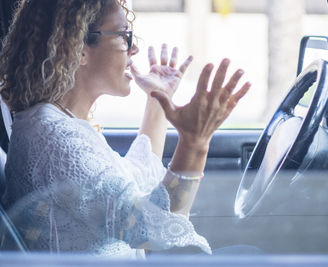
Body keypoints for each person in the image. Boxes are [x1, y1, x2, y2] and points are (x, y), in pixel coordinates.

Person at [0, 0, 250, 257]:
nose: (134, 48)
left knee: (246, 253)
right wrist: (196, 142)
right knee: (250, 254)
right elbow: (154, 231)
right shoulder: (55, 141)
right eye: (124, 36)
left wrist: (158, 99)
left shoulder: (58, 125)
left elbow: (136, 181)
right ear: (79, 48)